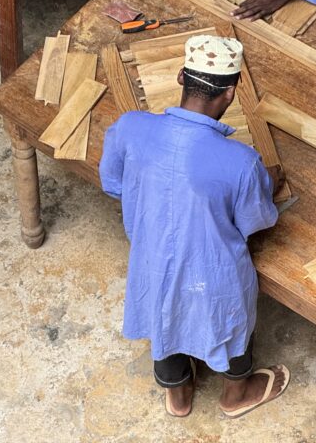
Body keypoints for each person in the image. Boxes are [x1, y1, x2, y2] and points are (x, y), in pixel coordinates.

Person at [99, 35, 290, 418]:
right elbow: (256, 221)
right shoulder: (242, 161)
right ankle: (236, 395)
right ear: (231, 94)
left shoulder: (130, 127)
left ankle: (178, 395)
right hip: (213, 274)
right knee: (229, 318)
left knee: (162, 310)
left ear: (180, 76)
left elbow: (113, 182)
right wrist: (263, 183)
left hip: (151, 261)